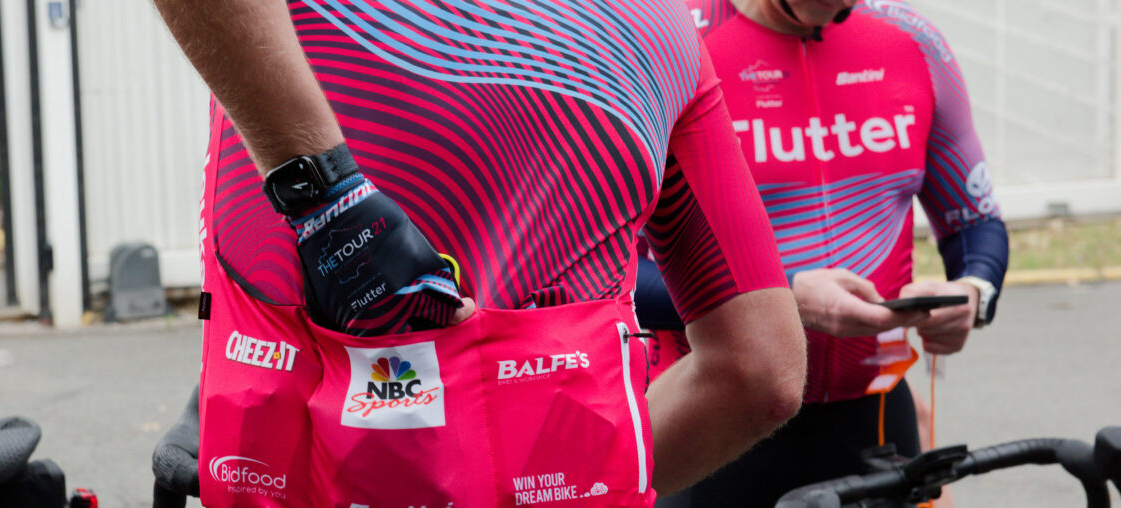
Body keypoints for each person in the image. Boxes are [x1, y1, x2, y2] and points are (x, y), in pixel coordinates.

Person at [150, 0, 806, 505]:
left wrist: (324, 195)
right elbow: (760, 371)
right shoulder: (670, 31)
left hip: (288, 458)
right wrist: (565, 479)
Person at [636, 0, 1010, 505]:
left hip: (874, 414)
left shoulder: (911, 40)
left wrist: (972, 292)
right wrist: (782, 299)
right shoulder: (672, 39)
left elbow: (975, 223)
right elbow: (606, 272)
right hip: (713, 409)